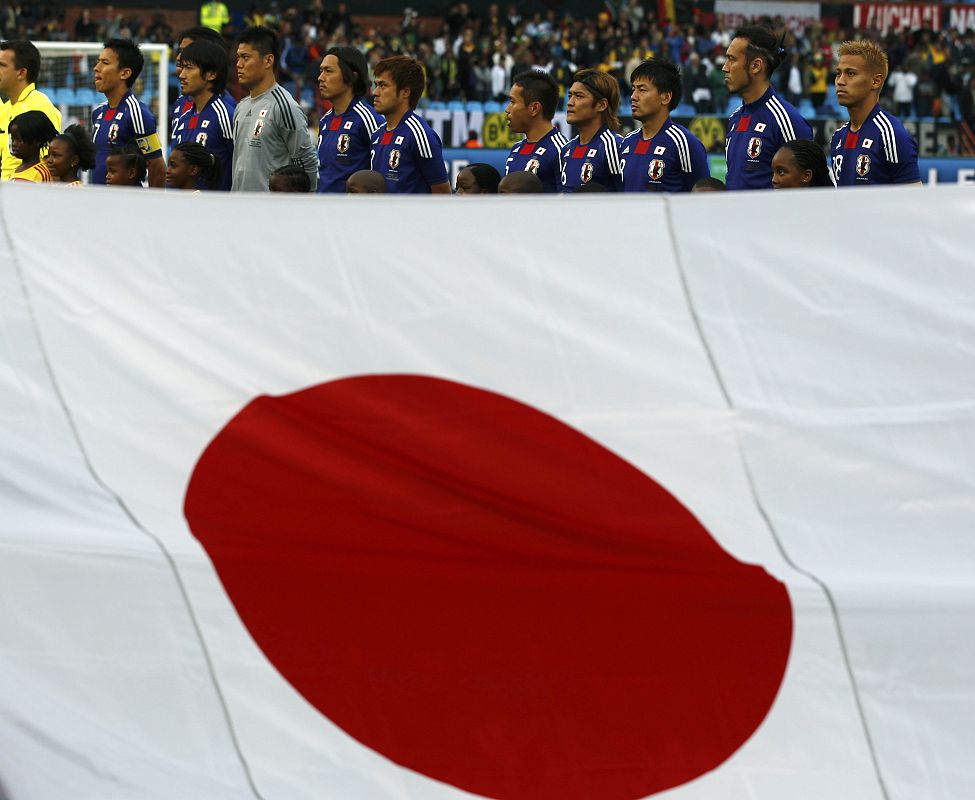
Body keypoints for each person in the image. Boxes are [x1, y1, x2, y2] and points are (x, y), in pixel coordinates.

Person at [722, 26, 812, 190]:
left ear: (756, 66)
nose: (725, 67)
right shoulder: (735, 118)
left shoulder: (786, 120)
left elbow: (806, 188)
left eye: (732, 59)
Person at [231, 26, 319, 192]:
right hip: (239, 204)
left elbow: (307, 162)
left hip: (270, 206)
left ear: (268, 61)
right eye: (238, 58)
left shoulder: (284, 106)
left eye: (245, 57)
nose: (239, 64)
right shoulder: (241, 106)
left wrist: (306, 202)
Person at [830, 40, 920, 187]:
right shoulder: (838, 136)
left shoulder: (891, 135)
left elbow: (914, 197)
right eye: (838, 73)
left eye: (850, 73)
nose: (840, 81)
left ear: (876, 81)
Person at [622, 59, 710, 193]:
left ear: (666, 97)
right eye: (633, 89)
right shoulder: (627, 142)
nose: (633, 97)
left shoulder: (684, 143)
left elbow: (703, 195)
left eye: (642, 90)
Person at [369, 55, 450, 194]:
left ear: (405, 92)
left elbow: (442, 193)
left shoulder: (420, 135)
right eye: (376, 85)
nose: (375, 93)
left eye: (383, 85)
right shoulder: (377, 134)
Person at [92, 38, 165, 187]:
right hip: (98, 197)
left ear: (124, 73)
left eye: (105, 63)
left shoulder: (138, 113)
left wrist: (155, 201)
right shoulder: (98, 112)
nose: (96, 68)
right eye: (98, 61)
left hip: (127, 199)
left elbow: (156, 166)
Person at [317, 45, 384, 193]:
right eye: (321, 71)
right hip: (323, 206)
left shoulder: (369, 120)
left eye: (328, 71)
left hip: (353, 207)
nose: (320, 77)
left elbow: (382, 177)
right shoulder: (325, 121)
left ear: (351, 77)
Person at [172, 39, 235, 190]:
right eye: (182, 67)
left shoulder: (225, 116)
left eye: (189, 68)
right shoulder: (183, 116)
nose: (182, 75)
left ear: (211, 74)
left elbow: (239, 166)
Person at [0, 40, 61, 181]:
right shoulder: (5, 109)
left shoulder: (39, 107)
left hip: (27, 191)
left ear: (21, 73)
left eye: (2, 65)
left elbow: (49, 166)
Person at [559, 69, 624, 193]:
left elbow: (627, 198)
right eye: (570, 96)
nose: (570, 103)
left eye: (579, 96)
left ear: (601, 105)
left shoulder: (614, 147)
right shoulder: (566, 149)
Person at [503, 69, 567, 193]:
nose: (507, 109)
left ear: (534, 108)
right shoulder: (516, 148)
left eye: (512, 102)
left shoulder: (561, 150)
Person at [170, 27, 235, 140]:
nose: (179, 57)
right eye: (180, 51)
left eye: (187, 51)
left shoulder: (227, 112)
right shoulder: (180, 103)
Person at [7, 110, 57, 182]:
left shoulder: (41, 174)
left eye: (19, 139)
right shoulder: (15, 170)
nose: (14, 143)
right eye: (12, 139)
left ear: (37, 141)